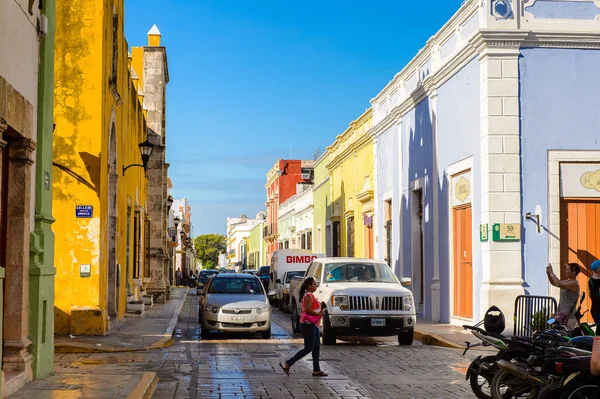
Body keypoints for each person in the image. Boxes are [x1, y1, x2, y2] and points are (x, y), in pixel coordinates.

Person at [279, 277, 328, 377]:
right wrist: (319, 314)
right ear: (309, 286)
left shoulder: (310, 295)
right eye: (314, 284)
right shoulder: (308, 296)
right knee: (308, 348)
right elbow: (308, 310)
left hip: (313, 324)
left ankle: (316, 369)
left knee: (316, 347)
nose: (316, 285)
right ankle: (289, 363)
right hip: (308, 325)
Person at [546, 262, 580, 327]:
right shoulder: (567, 281)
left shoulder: (574, 284)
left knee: (566, 335)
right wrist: (548, 274)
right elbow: (554, 283)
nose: (565, 271)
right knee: (549, 323)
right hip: (560, 315)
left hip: (568, 317)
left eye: (567, 270)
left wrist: (552, 273)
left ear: (573, 272)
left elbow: (558, 283)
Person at [588, 260, 600, 334]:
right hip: (599, 307)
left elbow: (590, 294)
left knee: (598, 327)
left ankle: (596, 345)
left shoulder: (590, 280)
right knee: (599, 331)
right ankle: (596, 345)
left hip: (594, 307)